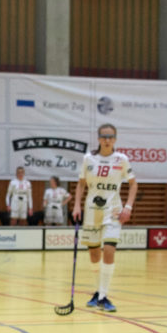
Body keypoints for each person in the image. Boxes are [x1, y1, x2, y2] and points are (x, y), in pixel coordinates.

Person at [71, 123, 136, 312]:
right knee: (93, 253)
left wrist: (128, 207)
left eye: (111, 137)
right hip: (92, 210)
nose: (107, 140)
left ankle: (103, 296)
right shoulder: (88, 159)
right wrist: (76, 205)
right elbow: (81, 184)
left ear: (115, 139)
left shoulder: (122, 159)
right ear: (99, 139)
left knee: (108, 249)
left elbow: (133, 184)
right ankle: (98, 292)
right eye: (104, 137)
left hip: (113, 210)